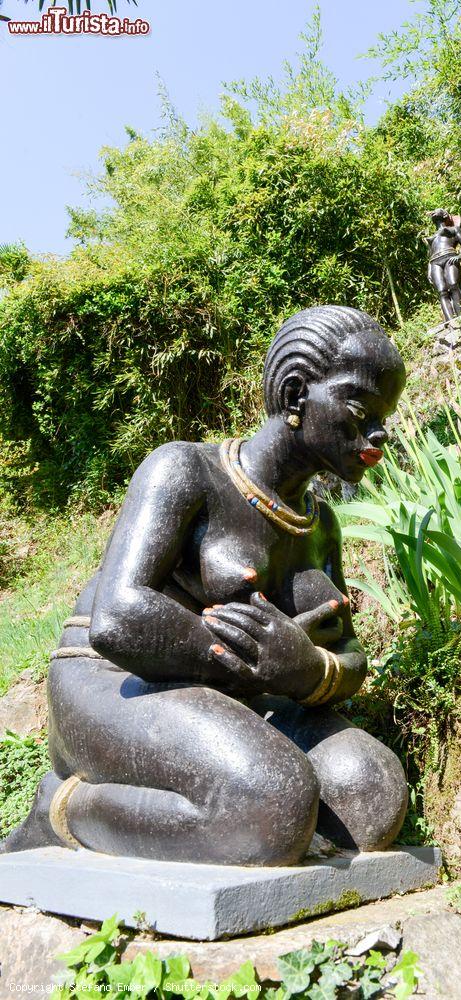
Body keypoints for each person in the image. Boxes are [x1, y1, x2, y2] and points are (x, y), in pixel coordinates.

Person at [3, 306, 409, 866]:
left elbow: (348, 657)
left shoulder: (321, 526)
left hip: (231, 697)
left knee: (371, 792)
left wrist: (307, 670)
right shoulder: (185, 471)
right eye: (361, 408)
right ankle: (66, 808)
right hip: (114, 681)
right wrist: (250, 660)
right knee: (274, 802)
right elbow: (119, 619)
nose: (378, 433)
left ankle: (249, 818)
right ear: (295, 396)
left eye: (384, 416)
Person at [423, 209, 461, 323]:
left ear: (444, 214)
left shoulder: (453, 229)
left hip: (449, 257)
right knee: (442, 291)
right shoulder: (432, 237)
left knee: (453, 284)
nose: (433, 212)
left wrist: (460, 256)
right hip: (435, 262)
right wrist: (429, 270)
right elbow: (430, 255)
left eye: (436, 211)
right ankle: (450, 321)